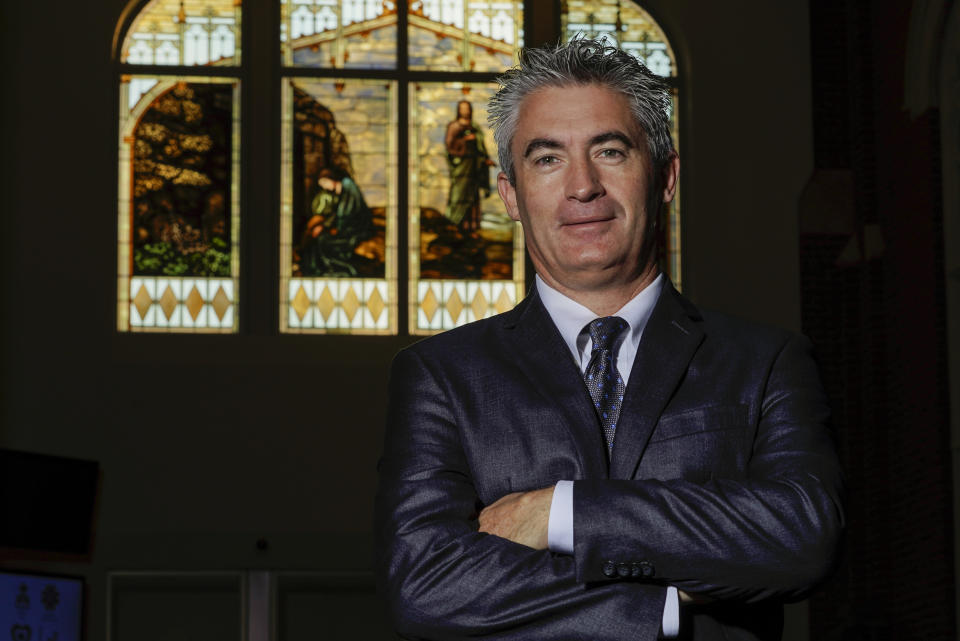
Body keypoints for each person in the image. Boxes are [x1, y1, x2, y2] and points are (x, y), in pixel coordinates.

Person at [375, 39, 843, 640]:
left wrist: (560, 514)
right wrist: (669, 601)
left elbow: (802, 535)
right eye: (547, 159)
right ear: (510, 194)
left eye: (610, 151)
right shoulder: (439, 376)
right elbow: (424, 584)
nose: (582, 187)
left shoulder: (766, 362)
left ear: (666, 176)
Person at [298, 169, 373, 276]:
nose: (324, 187)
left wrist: (326, 227)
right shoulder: (339, 192)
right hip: (346, 228)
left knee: (323, 241)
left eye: (324, 183)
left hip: (356, 229)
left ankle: (340, 271)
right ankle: (319, 271)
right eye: (321, 185)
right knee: (316, 242)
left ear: (332, 179)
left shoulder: (347, 184)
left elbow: (347, 214)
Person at [444, 100, 495, 233]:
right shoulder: (454, 126)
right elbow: (449, 146)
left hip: (474, 168)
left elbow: (481, 148)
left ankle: (471, 228)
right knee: (459, 195)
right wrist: (464, 141)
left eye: (467, 108)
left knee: (473, 197)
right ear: (458, 110)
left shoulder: (475, 127)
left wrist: (485, 159)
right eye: (462, 108)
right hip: (461, 168)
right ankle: (455, 225)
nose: (465, 111)